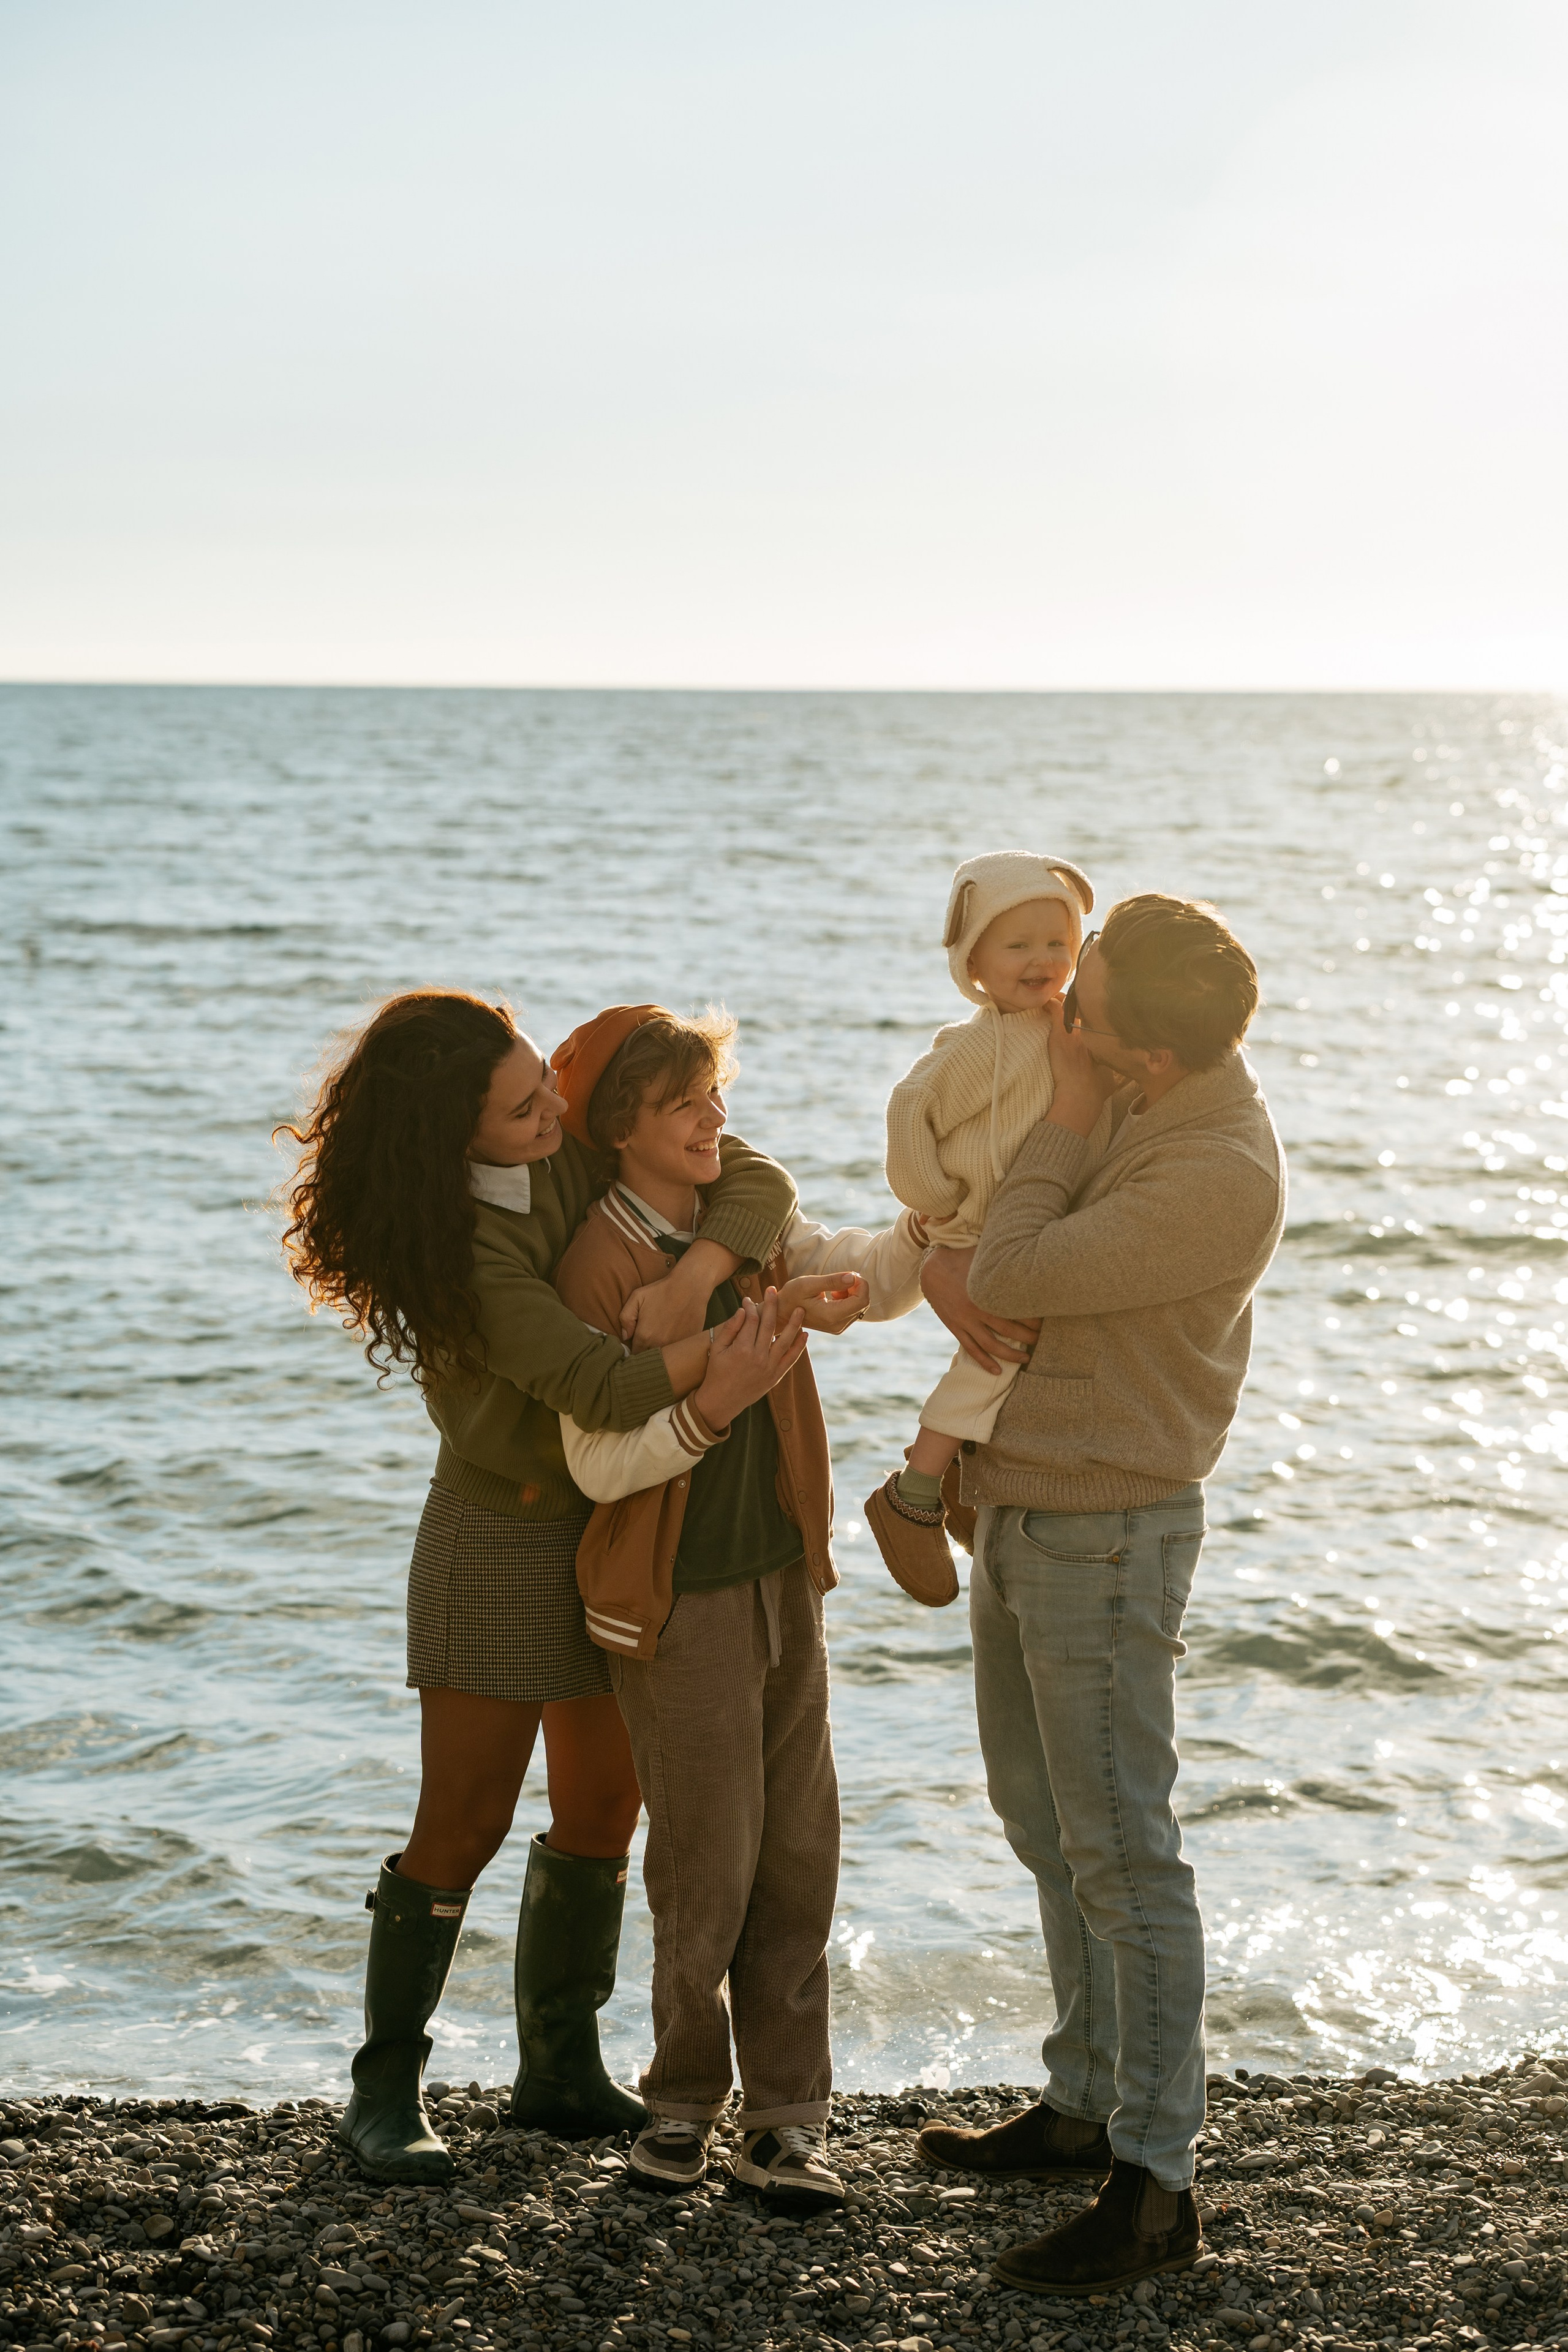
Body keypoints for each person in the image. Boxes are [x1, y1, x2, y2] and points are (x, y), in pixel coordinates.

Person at [276, 989, 798, 2184]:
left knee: (605, 1808)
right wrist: (724, 1355)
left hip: (616, 1523)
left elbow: (754, 1175)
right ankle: (383, 2087)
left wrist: (697, 1274)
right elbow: (598, 1387)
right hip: (498, 1540)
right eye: (521, 1111)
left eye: (543, 1088)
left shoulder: (566, 1148)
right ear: (451, 1134)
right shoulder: (458, 1243)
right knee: (463, 1820)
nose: (552, 1117)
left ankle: (558, 2066)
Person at [913, 895, 1286, 2296]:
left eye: (1088, 1005)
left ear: (1147, 1055)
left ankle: (1154, 2182)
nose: (1062, 1007)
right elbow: (969, 1238)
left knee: (1125, 1853)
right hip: (1024, 1507)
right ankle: (1080, 2100)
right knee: (1042, 1824)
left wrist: (1064, 1109)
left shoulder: (1213, 1170)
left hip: (1108, 1531)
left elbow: (1008, 1266)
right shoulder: (1143, 1084)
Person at [546, 1005, 930, 2206]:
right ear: (622, 1128)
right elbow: (598, 1465)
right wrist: (718, 1398)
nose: (713, 1118)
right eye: (682, 1104)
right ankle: (677, 2109)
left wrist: (931, 1225)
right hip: (677, 1602)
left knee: (800, 1855)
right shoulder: (598, 1266)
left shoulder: (739, 1215)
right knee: (704, 1869)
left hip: (782, 1577)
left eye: (714, 1095)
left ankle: (784, 2124)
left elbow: (852, 1268)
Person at [864, 850, 1098, 1607]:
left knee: (1024, 1354)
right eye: (1017, 945)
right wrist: (933, 1200)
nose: (1042, 960)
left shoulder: (1068, 1022)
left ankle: (960, 1474)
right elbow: (910, 1110)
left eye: (1057, 942)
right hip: (978, 1225)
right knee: (998, 1352)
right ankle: (913, 1491)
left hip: (1026, 1222)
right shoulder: (976, 1045)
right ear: (973, 963)